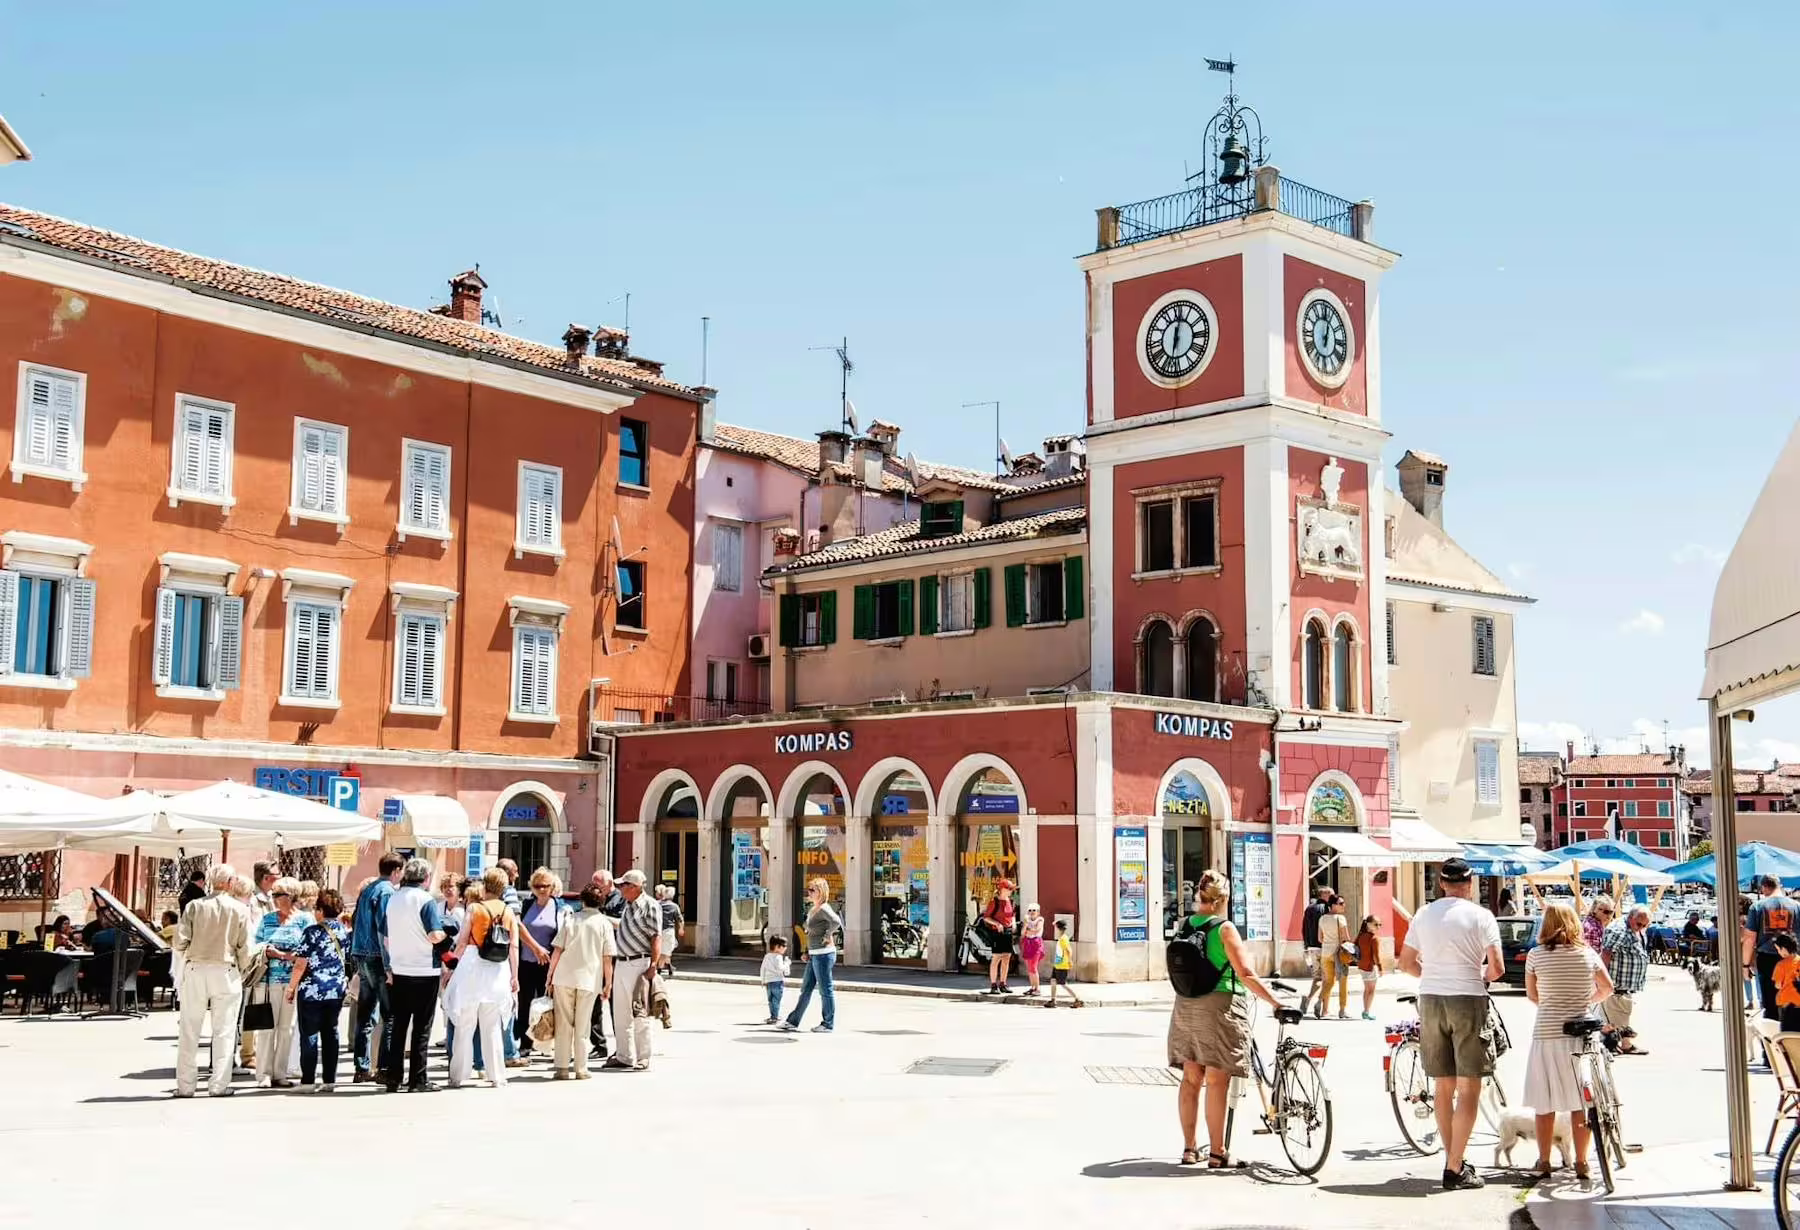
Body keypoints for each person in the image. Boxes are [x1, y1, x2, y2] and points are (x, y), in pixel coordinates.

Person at [1397, 857, 1503, 1191]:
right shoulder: (1481, 916)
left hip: (1429, 999)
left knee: (1443, 1086)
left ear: (1442, 883)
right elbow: (1497, 968)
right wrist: (1479, 978)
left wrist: (1432, 975)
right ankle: (1455, 1166)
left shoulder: (1423, 914)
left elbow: (1405, 963)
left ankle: (1452, 1160)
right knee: (1469, 1086)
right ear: (1470, 884)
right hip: (1468, 998)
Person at [1168, 869, 1284, 1168]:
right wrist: (1275, 1001)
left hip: (1186, 1005)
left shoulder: (1186, 924)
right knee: (1217, 1080)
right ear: (1224, 898)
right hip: (1219, 1005)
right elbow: (1245, 973)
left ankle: (1190, 1149)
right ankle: (1218, 1152)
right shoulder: (1224, 928)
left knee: (1191, 1078)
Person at [1522, 901, 1613, 1182]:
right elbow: (1607, 988)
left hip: (1547, 1033)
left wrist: (1551, 1003)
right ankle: (1582, 1162)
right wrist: (1587, 1000)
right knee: (1580, 1102)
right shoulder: (1588, 954)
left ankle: (1545, 1161)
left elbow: (1532, 995)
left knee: (1545, 1102)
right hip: (1580, 1033)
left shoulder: (1535, 956)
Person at [173, 864, 253, 1098]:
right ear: (230, 883)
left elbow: (179, 942)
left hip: (197, 968)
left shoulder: (195, 906)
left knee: (189, 1028)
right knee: (225, 1031)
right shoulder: (239, 909)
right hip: (226, 969)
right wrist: (242, 968)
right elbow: (245, 947)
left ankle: (185, 1085)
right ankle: (218, 1085)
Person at [444, 867, 519, 1089]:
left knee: (465, 1025)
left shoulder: (475, 909)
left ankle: (457, 1075)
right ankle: (497, 1075)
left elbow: (462, 942)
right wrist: (515, 976)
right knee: (492, 1026)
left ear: (485, 885)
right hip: (497, 970)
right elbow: (513, 945)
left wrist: (449, 968)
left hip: (472, 968)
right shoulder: (507, 911)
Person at [381, 857, 448, 1093]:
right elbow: (433, 935)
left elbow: (386, 937)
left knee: (399, 1026)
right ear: (426, 877)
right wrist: (447, 936)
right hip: (423, 969)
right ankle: (418, 1079)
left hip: (399, 969)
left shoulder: (393, 899)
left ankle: (393, 1077)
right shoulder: (425, 900)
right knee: (421, 1028)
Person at [547, 881, 616, 1079]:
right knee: (583, 1024)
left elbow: (557, 951)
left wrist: (550, 976)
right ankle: (581, 1068)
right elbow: (607, 958)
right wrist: (608, 983)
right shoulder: (604, 923)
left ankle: (561, 1067)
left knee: (563, 1023)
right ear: (602, 901)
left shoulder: (571, 919)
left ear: (582, 900)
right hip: (589, 978)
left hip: (564, 976)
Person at [286, 888, 350, 1092]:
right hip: (336, 989)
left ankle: (308, 1081)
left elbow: (300, 963)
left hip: (312, 989)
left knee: (310, 1034)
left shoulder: (312, 932)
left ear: (321, 910)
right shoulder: (342, 931)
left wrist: (291, 987)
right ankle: (330, 1079)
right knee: (331, 1032)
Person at [349, 853, 404, 1082]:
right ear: (397, 870)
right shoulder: (387, 891)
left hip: (361, 953)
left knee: (366, 1013)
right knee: (388, 1015)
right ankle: (383, 1068)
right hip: (377, 957)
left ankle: (361, 1068)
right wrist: (389, 964)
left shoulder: (369, 888)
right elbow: (385, 928)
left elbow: (355, 920)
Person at [253, 876, 309, 1088]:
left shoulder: (305, 920)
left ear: (292, 896)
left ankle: (280, 1073)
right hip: (268, 981)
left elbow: (308, 949)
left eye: (279, 895)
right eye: (273, 894)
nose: (274, 899)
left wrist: (284, 956)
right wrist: (268, 951)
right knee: (267, 1028)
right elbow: (256, 944)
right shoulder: (267, 919)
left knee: (287, 1028)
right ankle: (264, 1074)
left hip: (294, 980)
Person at [606, 869, 663, 1069]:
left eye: (623, 885)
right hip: (621, 962)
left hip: (640, 962)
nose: (620, 889)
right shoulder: (628, 906)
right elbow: (626, 927)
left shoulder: (650, 905)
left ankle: (643, 1056)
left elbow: (656, 935)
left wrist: (654, 965)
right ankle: (624, 1055)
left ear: (635, 887)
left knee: (640, 1011)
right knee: (620, 1012)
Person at [781, 878, 843, 1034]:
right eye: (808, 889)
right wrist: (807, 952)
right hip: (815, 954)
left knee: (825, 989)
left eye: (812, 890)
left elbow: (836, 921)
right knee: (806, 989)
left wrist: (828, 935)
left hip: (824, 954)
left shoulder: (824, 908)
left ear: (820, 892)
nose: (808, 892)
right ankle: (792, 1021)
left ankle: (828, 1024)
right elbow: (811, 933)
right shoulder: (813, 909)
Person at [513, 868, 562, 1061]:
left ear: (552, 887)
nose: (541, 889)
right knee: (525, 1004)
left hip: (548, 965)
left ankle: (546, 1043)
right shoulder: (526, 905)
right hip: (526, 962)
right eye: (537, 886)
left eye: (545, 886)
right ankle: (525, 1044)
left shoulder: (560, 907)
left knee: (547, 1005)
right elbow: (517, 929)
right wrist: (535, 949)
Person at [1745, 875, 1800, 1024]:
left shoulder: (1757, 907)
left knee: (1770, 1005)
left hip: (1766, 960)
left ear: (1764, 887)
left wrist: (1745, 965)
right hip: (1792, 960)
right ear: (1779, 885)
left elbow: (1749, 938)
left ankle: (1771, 1044)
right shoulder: (1796, 906)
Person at [1601, 904, 1652, 1055]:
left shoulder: (1635, 929)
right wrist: (1602, 979)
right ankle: (1613, 1045)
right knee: (1615, 1014)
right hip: (1616, 982)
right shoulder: (1618, 930)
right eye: (1639, 924)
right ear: (1631, 917)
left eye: (1645, 925)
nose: (1641, 927)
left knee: (1622, 1013)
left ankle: (1625, 1044)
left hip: (1625, 984)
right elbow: (1606, 954)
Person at [587, 869, 624, 1061]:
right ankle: (599, 1044)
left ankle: (621, 1046)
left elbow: (622, 923)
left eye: (598, 885)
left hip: (614, 954)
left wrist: (601, 919)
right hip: (595, 954)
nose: (596, 889)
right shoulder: (594, 898)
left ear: (609, 883)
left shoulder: (620, 899)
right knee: (594, 1002)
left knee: (615, 1003)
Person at [1316, 896, 1352, 1020]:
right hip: (1339, 954)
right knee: (1343, 981)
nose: (1344, 905)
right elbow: (1346, 938)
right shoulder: (1340, 918)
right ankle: (1342, 1010)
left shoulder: (1322, 918)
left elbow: (1320, 939)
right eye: (1341, 903)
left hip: (1325, 954)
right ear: (1333, 905)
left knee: (1328, 981)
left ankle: (1321, 1004)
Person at [980, 879, 1017, 995]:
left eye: (1011, 889)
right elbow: (986, 917)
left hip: (1008, 932)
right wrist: (997, 924)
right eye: (1009, 888)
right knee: (996, 958)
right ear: (1002, 889)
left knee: (1006, 958)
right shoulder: (994, 902)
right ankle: (993, 985)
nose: (1011, 891)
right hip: (997, 933)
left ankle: (1003, 984)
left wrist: (1014, 924)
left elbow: (1012, 915)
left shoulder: (1010, 901)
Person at [1301, 884, 1332, 1015]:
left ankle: (1311, 1002)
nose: (1333, 897)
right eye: (1331, 894)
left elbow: (1304, 928)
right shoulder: (1326, 909)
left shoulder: (1308, 908)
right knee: (1327, 978)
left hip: (1311, 948)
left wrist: (1306, 944)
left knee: (1318, 977)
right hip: (1323, 947)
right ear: (1324, 895)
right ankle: (1320, 1005)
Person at [1046, 918, 1084, 1008]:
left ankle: (1078, 999)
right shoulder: (1063, 938)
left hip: (1062, 965)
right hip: (1058, 964)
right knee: (1053, 981)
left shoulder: (1063, 939)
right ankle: (1053, 1000)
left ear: (1058, 928)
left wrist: (1069, 960)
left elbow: (1068, 950)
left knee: (1063, 984)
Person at [1355, 914, 1385, 1020]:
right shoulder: (1374, 938)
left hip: (1361, 966)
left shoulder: (1361, 936)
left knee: (1366, 989)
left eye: (1380, 924)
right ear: (1368, 924)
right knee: (1371, 990)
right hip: (1370, 967)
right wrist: (1381, 968)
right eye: (1376, 924)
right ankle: (1366, 1011)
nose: (1378, 927)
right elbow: (1376, 956)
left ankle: (1365, 1010)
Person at [760, 935, 791, 1024]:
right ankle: (775, 1017)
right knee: (776, 1000)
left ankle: (773, 1016)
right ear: (777, 947)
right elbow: (780, 968)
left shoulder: (767, 956)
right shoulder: (778, 957)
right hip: (777, 982)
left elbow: (763, 969)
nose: (785, 948)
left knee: (771, 1000)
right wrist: (787, 964)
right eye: (784, 946)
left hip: (769, 982)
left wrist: (763, 980)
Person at [1773, 931, 1800, 1033]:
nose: (1778, 952)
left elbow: (1778, 985)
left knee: (1786, 1032)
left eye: (1778, 950)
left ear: (1784, 949)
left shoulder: (1781, 965)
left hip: (1785, 1003)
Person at [656, 885, 685, 977]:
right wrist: (681, 929)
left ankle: (669, 967)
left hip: (657, 931)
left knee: (665, 951)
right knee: (665, 952)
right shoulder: (674, 906)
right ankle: (659, 971)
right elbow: (680, 919)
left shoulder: (657, 904)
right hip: (668, 931)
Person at [1019, 903, 1047, 996]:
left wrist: (1028, 930)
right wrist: (1026, 925)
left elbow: (1037, 930)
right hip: (1028, 943)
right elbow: (1023, 933)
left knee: (1034, 967)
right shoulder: (1027, 920)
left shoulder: (1040, 919)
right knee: (1029, 968)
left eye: (1034, 910)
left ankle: (1037, 988)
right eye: (1030, 910)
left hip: (1036, 944)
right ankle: (1032, 987)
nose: (1032, 912)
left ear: (1038, 912)